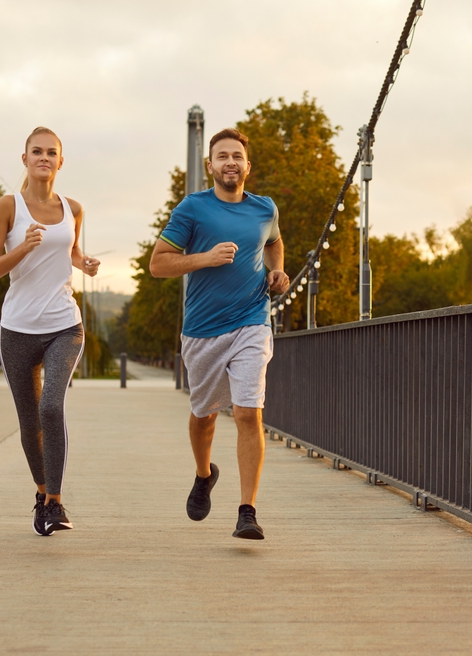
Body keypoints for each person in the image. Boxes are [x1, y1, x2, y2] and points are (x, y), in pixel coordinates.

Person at [149, 127, 290, 540]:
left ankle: (247, 510)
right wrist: (205, 259)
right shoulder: (192, 208)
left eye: (237, 156)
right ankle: (203, 473)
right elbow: (158, 264)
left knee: (248, 412)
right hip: (202, 330)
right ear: (210, 166)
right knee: (204, 416)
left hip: (251, 321)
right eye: (222, 156)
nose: (230, 162)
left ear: (248, 166)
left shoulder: (265, 209)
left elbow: (274, 243)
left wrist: (276, 271)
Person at [0, 126, 100, 536]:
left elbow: (68, 250)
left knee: (52, 407)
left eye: (52, 152)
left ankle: (55, 502)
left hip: (63, 325)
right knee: (29, 421)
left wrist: (83, 262)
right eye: (37, 151)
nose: (44, 158)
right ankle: (40, 493)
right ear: (25, 159)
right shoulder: (7, 206)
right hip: (16, 329)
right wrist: (22, 248)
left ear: (60, 161)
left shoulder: (74, 208)